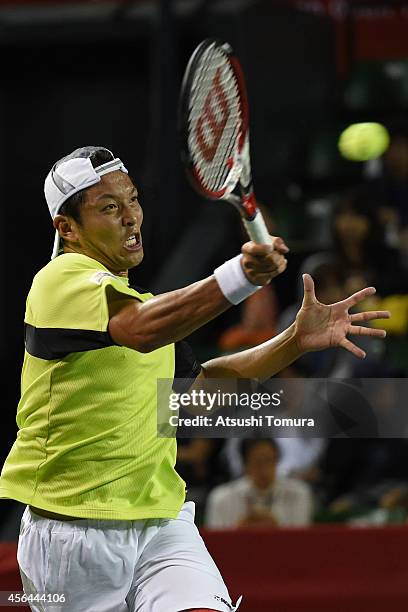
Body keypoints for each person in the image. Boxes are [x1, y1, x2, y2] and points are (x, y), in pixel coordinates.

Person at [0, 146, 390, 612]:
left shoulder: (136, 301)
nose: (131, 217)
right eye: (109, 207)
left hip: (161, 523)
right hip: (71, 540)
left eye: (133, 200)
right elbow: (140, 329)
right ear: (67, 228)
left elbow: (202, 388)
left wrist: (294, 341)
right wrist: (238, 277)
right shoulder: (59, 282)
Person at [205, 439, 313, 529]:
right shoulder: (221, 498)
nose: (264, 469)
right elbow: (215, 545)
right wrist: (239, 530)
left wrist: (276, 525)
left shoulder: (299, 493)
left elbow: (301, 541)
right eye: (257, 462)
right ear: (245, 464)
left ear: (277, 461)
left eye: (269, 460)